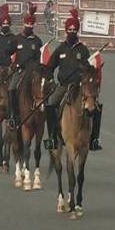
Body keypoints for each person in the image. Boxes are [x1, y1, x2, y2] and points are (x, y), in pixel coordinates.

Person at [43, 9, 103, 152]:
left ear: (77, 31)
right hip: (63, 86)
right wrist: (50, 79)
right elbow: (50, 66)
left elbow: (88, 70)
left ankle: (94, 139)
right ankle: (52, 138)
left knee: (97, 106)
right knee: (50, 103)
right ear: (66, 30)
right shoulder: (60, 49)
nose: (72, 32)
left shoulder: (83, 50)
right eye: (69, 29)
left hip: (79, 86)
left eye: (74, 30)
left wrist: (89, 71)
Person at [7, 3, 43, 128]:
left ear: (34, 25)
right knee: (11, 88)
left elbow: (39, 59)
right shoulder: (17, 39)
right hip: (20, 71)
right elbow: (8, 53)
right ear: (24, 24)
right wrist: (14, 65)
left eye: (31, 24)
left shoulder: (37, 41)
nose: (29, 26)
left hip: (32, 72)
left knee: (43, 90)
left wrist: (34, 69)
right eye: (27, 24)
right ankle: (12, 115)